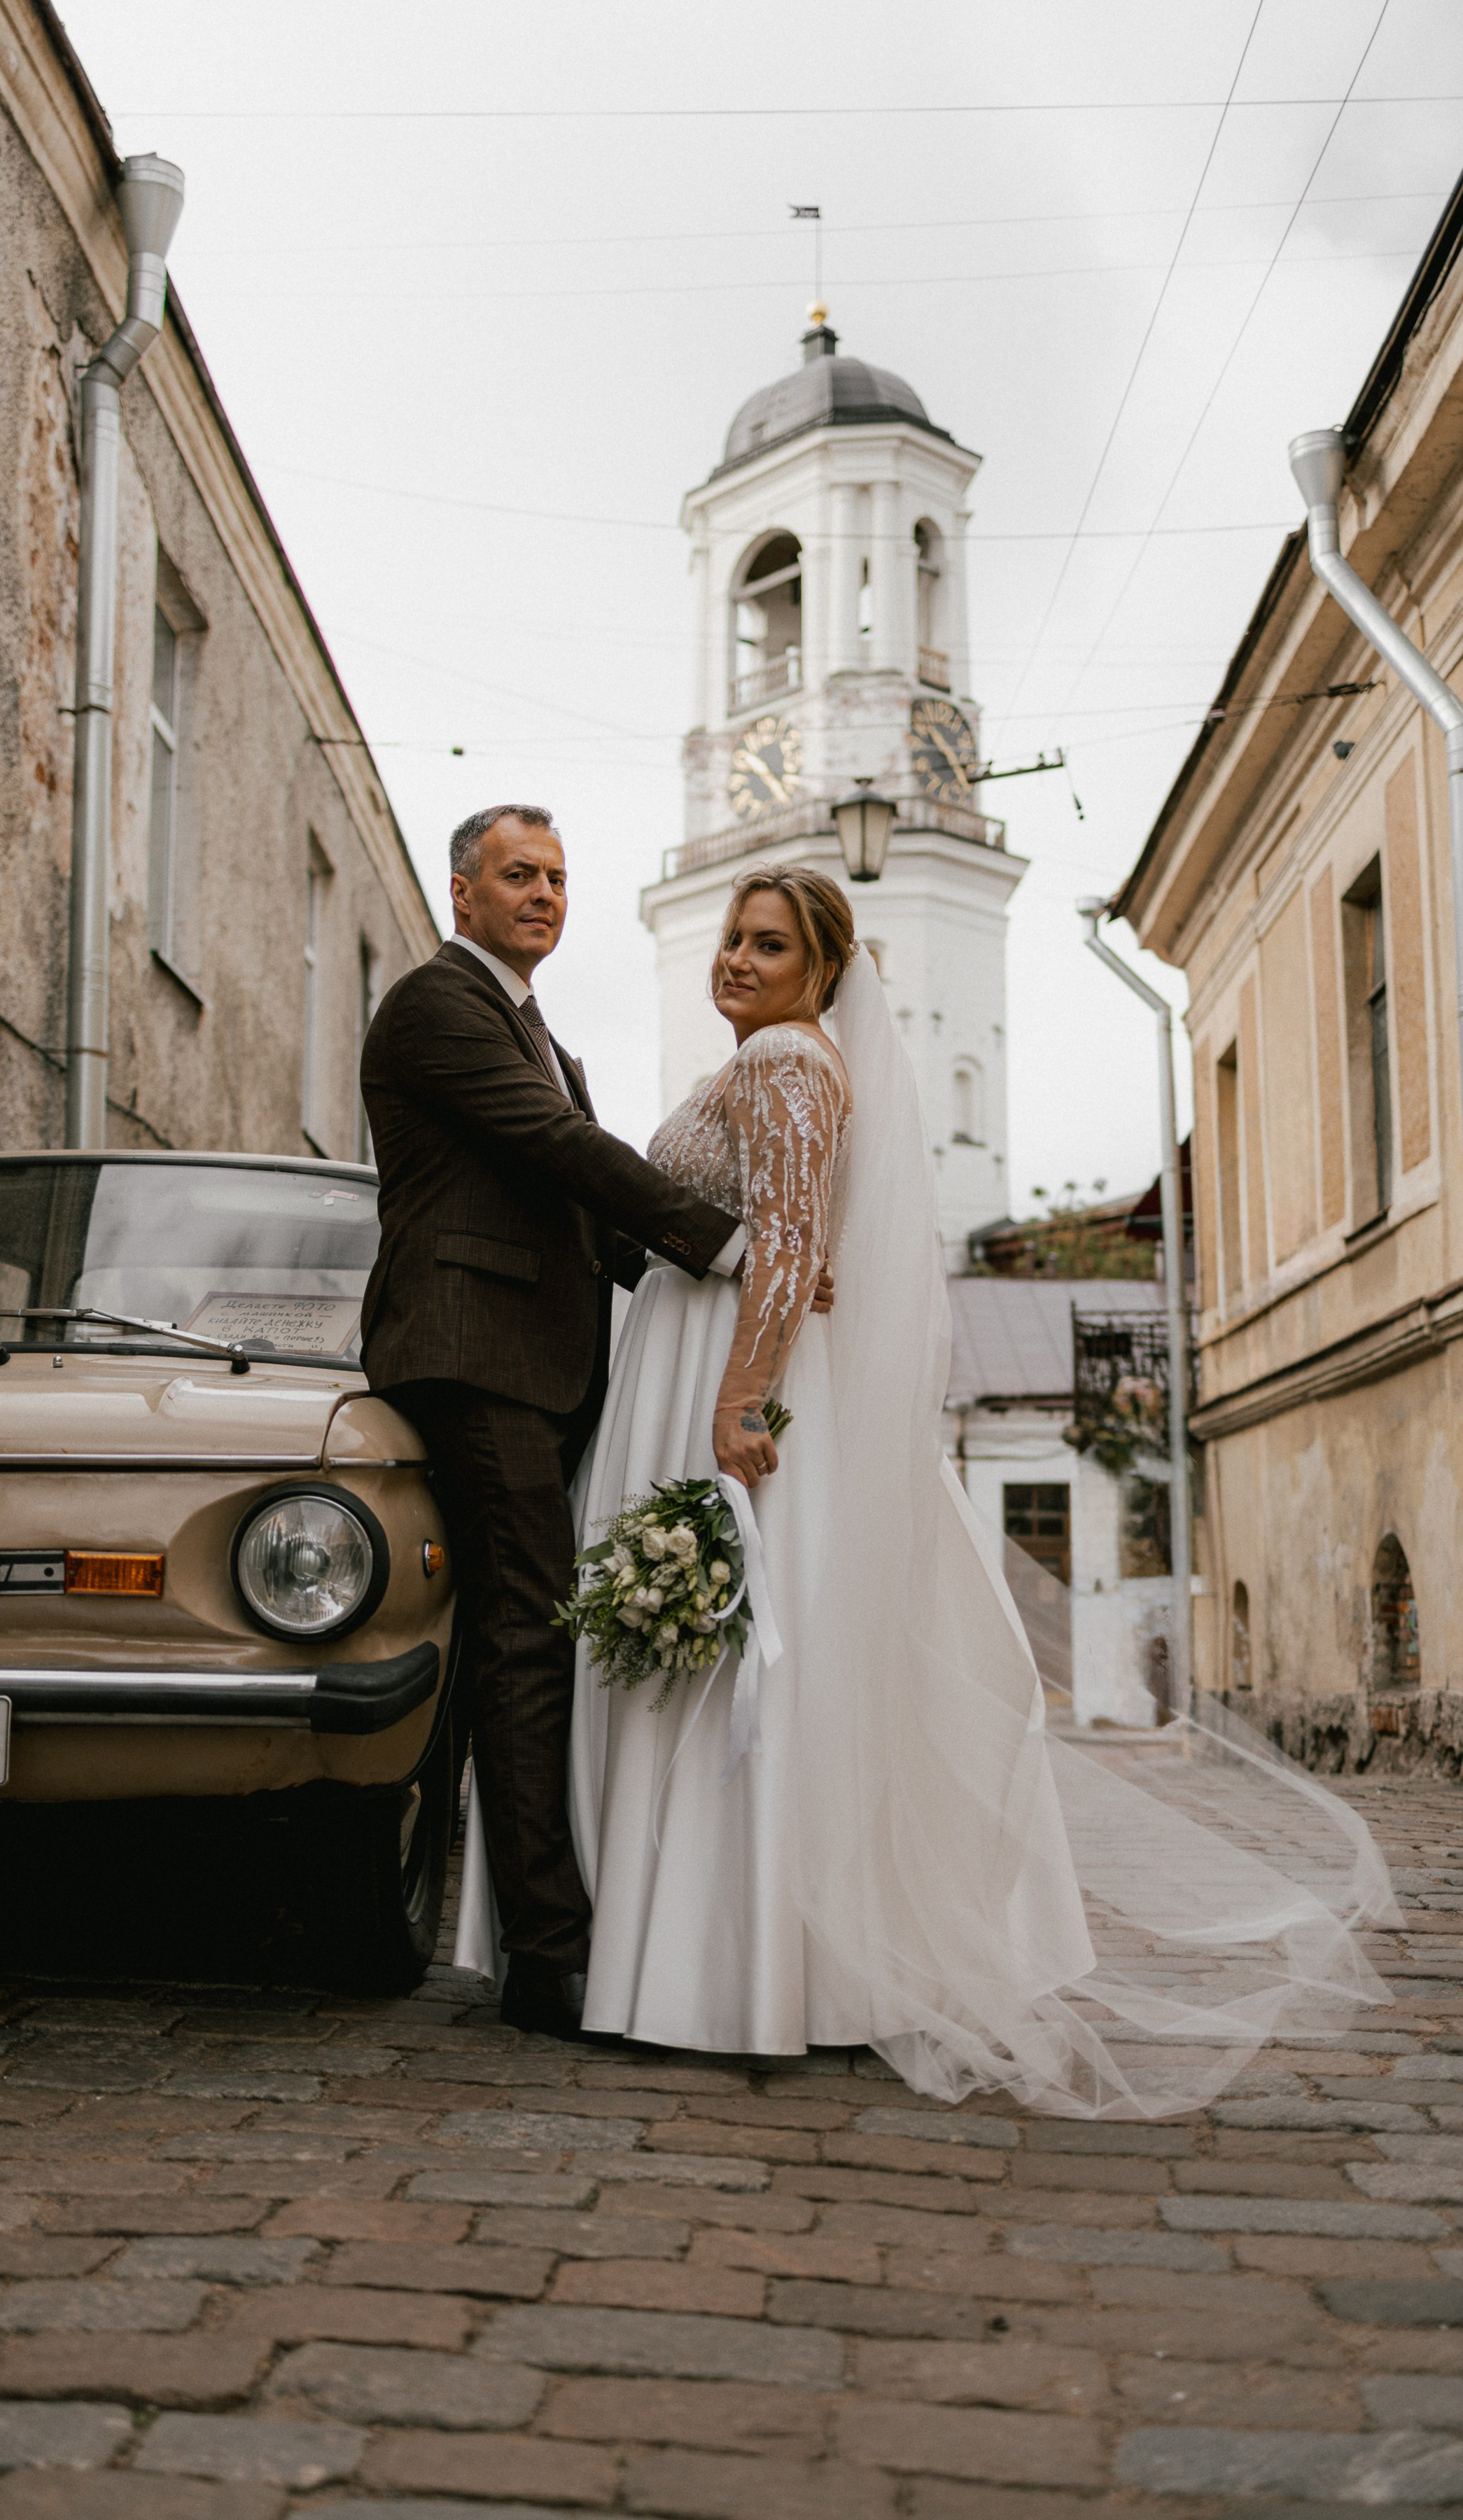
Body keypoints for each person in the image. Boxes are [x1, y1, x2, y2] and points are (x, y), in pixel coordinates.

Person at [457, 864, 1395, 2117]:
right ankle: (706, 1962)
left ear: (824, 973)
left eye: (770, 945)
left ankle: (740, 1973)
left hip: (725, 1390)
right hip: (691, 1366)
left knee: (738, 1671)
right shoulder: (764, 1062)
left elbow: (789, 1244)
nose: (736, 959)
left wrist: (741, 1404)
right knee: (712, 1668)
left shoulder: (790, 1066)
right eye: (732, 939)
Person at [359, 805, 743, 2043]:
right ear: (460, 892)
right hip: (476, 1360)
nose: (544, 896)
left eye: (560, 879)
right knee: (527, 1638)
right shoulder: (438, 1004)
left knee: (519, 1643)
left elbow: (575, 1216)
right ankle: (547, 1960)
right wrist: (721, 1240)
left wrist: (702, 1301)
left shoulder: (536, 1029)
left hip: (540, 1367)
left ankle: (531, 1927)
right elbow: (552, 1146)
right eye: (518, 876)